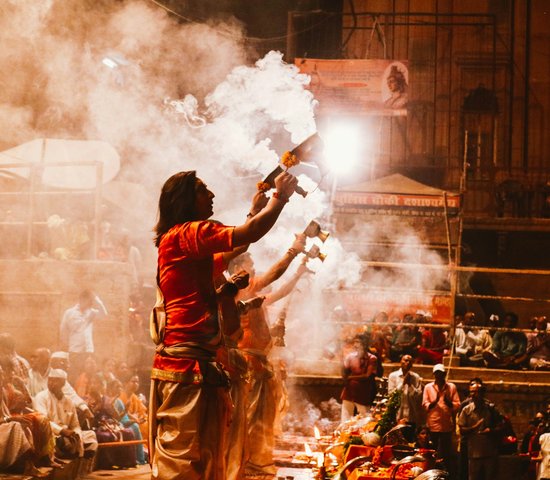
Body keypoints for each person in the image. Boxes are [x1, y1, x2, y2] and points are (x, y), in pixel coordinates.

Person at [149, 169, 298, 480]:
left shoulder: (185, 244)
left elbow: (234, 249)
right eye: (204, 190)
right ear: (185, 200)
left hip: (197, 363)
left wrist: (254, 210)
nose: (212, 195)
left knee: (204, 456)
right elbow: (250, 234)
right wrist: (280, 197)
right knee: (184, 461)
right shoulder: (187, 233)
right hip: (186, 366)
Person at [230, 239, 308, 479]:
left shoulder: (251, 293)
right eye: (249, 263)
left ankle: (254, 461)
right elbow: (272, 277)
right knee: (250, 419)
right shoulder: (241, 288)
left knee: (260, 417)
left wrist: (298, 275)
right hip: (248, 362)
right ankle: (246, 463)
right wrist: (293, 250)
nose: (254, 267)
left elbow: (277, 292)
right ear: (237, 268)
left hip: (259, 363)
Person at [33, 369, 98, 461]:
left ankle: (74, 450)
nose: (51, 383)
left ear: (63, 383)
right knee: (61, 441)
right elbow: (43, 421)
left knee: (91, 435)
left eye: (55, 380)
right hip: (51, 434)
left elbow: (75, 425)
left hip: (68, 434)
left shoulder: (69, 401)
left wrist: (77, 435)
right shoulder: (41, 397)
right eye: (50, 380)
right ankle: (70, 451)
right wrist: (62, 431)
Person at [457, 381, 504, 480]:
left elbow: (501, 427)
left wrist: (490, 431)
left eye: (475, 392)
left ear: (482, 393)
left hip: (489, 453)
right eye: (471, 392)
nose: (473, 395)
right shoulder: (466, 410)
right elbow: (462, 430)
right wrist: (474, 427)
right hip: (474, 454)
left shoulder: (491, 409)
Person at [59, 289, 107, 382]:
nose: (89, 304)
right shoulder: (69, 313)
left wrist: (96, 299)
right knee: (74, 377)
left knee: (89, 378)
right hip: (75, 351)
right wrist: (68, 345)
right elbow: (63, 331)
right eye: (87, 301)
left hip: (88, 351)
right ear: (81, 299)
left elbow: (104, 314)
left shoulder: (91, 312)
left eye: (90, 301)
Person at [422, 363, 461, 478]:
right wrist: (436, 401)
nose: (439, 376)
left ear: (444, 374)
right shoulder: (428, 387)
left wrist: (448, 402)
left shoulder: (451, 387)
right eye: (437, 374)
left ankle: (444, 475)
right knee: (432, 452)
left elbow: (457, 405)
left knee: (445, 454)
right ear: (434, 375)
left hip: (446, 426)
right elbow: (425, 405)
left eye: (441, 374)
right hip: (432, 425)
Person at [340, 334, 379, 422]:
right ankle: (343, 435)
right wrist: (345, 377)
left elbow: (367, 376)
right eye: (355, 342)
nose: (355, 345)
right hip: (349, 391)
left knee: (365, 418)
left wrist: (350, 377)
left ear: (364, 344)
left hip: (363, 391)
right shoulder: (350, 357)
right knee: (345, 418)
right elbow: (344, 370)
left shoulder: (372, 358)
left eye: (358, 342)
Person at [387, 354, 424, 432]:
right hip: (397, 415)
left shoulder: (416, 377)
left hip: (411, 415)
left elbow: (418, 396)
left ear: (412, 364)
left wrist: (410, 385)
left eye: (410, 362)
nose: (407, 363)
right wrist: (402, 383)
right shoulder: (393, 376)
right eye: (405, 360)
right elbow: (391, 394)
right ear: (401, 361)